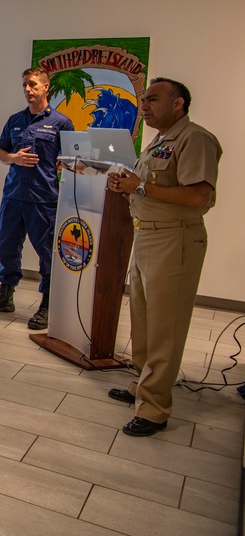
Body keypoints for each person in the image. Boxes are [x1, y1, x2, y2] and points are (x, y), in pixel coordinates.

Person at [106, 77, 221, 437]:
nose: (145, 106)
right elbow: (152, 188)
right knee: (142, 318)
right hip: (147, 235)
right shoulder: (158, 141)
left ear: (179, 104)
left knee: (165, 326)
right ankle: (143, 384)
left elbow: (199, 197)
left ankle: (155, 408)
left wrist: (138, 185)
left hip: (175, 241)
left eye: (153, 99)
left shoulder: (195, 139)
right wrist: (126, 184)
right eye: (143, 100)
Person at [0, 66, 73, 330]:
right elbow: (0, 150)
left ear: (46, 87)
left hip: (43, 199)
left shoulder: (61, 123)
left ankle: (47, 304)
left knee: (47, 254)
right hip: (13, 196)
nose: (28, 90)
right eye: (25, 86)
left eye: (32, 84)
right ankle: (6, 296)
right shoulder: (15, 119)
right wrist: (13, 158)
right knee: (6, 245)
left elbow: (71, 159)